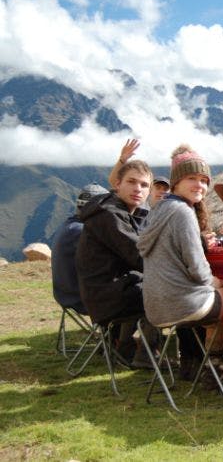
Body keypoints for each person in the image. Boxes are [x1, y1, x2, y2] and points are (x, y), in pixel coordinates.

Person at [137, 145, 223, 389]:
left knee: (220, 302)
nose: (200, 186)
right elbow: (197, 267)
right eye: (192, 179)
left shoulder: (159, 209)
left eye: (204, 180)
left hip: (155, 306)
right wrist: (218, 282)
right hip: (180, 304)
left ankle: (212, 370)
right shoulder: (183, 212)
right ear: (176, 182)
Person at [75, 157, 159, 368]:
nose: (138, 189)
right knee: (167, 293)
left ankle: (124, 348)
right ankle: (149, 356)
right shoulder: (110, 215)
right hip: (107, 298)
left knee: (148, 285)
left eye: (144, 185)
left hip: (104, 291)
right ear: (117, 184)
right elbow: (140, 256)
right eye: (131, 182)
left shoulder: (112, 209)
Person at [51, 182, 109, 315]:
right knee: (137, 297)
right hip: (81, 299)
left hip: (66, 295)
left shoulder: (70, 225)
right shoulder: (82, 232)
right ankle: (120, 336)